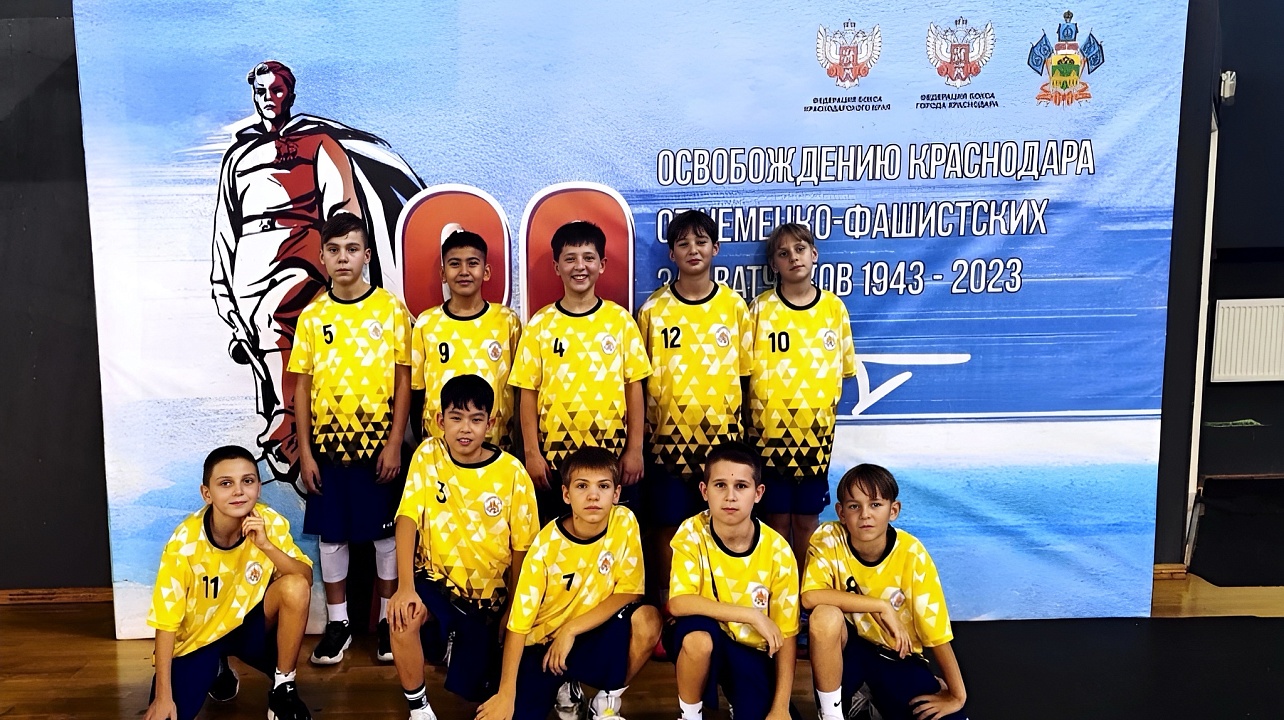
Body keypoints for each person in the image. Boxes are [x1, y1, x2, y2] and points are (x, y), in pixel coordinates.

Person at [211, 59, 422, 483]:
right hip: (252, 263)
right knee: (267, 346)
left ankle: (296, 435)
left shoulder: (319, 142)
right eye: (261, 92)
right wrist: (223, 285)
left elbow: (342, 209)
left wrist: (331, 262)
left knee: (302, 347)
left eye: (276, 90)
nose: (268, 99)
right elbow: (225, 227)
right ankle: (284, 431)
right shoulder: (238, 155)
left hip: (303, 257)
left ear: (289, 93)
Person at [288, 212, 412, 666]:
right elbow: (302, 388)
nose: (344, 258)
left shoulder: (390, 310)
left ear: (367, 255)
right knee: (333, 536)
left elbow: (403, 380)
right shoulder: (313, 316)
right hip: (328, 449)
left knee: (384, 538)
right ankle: (338, 624)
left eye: (352, 249)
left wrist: (395, 442)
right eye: (335, 250)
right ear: (322, 256)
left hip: (379, 447)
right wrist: (305, 452)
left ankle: (386, 621)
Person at [387, 374, 539, 719]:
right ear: (440, 421)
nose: (465, 428)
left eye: (476, 419)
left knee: (485, 695)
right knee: (403, 616)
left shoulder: (512, 473)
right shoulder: (428, 455)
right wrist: (405, 587)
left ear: (491, 423)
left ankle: (460, 648)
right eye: (456, 418)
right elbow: (407, 518)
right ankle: (419, 709)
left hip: (488, 601)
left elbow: (523, 551)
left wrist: (512, 610)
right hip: (436, 584)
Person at [476, 447, 663, 720]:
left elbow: (630, 591)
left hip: (590, 631)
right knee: (512, 713)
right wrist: (506, 694)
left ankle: (606, 704)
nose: (593, 495)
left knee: (648, 619)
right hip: (542, 644)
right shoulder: (545, 546)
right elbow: (518, 625)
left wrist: (571, 630)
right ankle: (562, 686)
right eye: (582, 486)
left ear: (616, 494)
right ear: (566, 494)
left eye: (603, 486)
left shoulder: (624, 521)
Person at [143, 445, 313, 720]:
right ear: (206, 493)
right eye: (226, 483)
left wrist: (266, 546)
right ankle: (217, 668)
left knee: (294, 586)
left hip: (250, 629)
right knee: (167, 714)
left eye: (247, 481)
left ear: (258, 487)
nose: (238, 491)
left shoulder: (268, 522)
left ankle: (284, 688)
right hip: (201, 638)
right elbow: (165, 621)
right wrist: (163, 695)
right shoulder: (184, 542)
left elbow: (305, 578)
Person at [637, 209, 751, 605]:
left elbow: (746, 376)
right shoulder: (653, 310)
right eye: (683, 243)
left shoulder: (734, 308)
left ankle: (719, 601)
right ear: (671, 254)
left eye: (701, 242)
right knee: (667, 524)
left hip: (722, 444)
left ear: (715, 248)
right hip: (666, 444)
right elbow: (639, 380)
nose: (693, 250)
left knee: (721, 524)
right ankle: (670, 604)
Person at [509, 221, 651, 521]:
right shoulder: (540, 325)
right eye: (570, 258)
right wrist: (532, 453)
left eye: (588, 258)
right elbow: (527, 393)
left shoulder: (620, 321)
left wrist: (635, 449)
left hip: (612, 458)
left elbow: (634, 388)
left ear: (602, 264)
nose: (579, 266)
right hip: (555, 462)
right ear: (556, 266)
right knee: (560, 536)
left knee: (614, 537)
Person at [802, 464, 968, 720]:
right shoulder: (828, 537)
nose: (865, 515)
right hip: (848, 652)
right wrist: (879, 605)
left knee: (945, 716)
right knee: (824, 615)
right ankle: (832, 714)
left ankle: (873, 700)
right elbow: (810, 596)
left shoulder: (911, 553)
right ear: (841, 513)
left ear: (894, 510)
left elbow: (936, 633)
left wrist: (957, 695)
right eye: (854, 506)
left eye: (875, 504)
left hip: (895, 655)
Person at [748, 222, 858, 565]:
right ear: (774, 265)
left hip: (814, 440)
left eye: (799, 249)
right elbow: (743, 373)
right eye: (783, 253)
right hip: (769, 439)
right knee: (776, 521)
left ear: (814, 254)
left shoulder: (833, 309)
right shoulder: (760, 309)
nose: (793, 258)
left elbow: (843, 371)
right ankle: (780, 588)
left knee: (808, 521)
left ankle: (807, 590)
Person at [667, 442, 799, 720]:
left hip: (750, 650)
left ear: (758, 493)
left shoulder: (778, 550)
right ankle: (690, 715)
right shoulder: (692, 531)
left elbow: (787, 635)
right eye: (720, 485)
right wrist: (751, 615)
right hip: (706, 634)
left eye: (741, 486)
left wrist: (781, 707)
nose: (730, 496)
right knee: (698, 638)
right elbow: (678, 603)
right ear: (704, 491)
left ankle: (741, 697)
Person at [410, 229, 521, 449]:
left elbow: (520, 390)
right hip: (440, 447)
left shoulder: (507, 321)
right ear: (443, 274)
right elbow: (417, 390)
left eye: (472, 263)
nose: (464, 271)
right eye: (455, 264)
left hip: (497, 446)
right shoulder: (427, 323)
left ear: (486, 271)